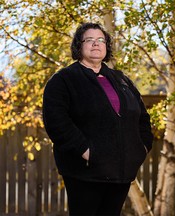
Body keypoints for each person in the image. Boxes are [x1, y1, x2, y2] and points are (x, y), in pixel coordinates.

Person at [42, 22, 153, 216]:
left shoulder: (121, 80)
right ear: (79, 45)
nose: (96, 44)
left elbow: (142, 117)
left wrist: (142, 148)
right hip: (85, 171)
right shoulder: (64, 80)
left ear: (107, 46)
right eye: (90, 40)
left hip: (121, 172)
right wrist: (85, 151)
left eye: (101, 40)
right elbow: (56, 121)